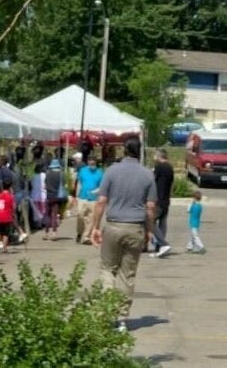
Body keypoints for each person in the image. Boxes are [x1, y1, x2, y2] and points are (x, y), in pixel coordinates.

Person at [89, 137, 157, 331]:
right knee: (128, 274)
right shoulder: (147, 175)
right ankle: (122, 318)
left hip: (114, 225)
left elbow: (101, 201)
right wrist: (150, 230)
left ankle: (106, 310)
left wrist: (94, 226)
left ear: (124, 151)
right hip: (135, 226)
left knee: (108, 268)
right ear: (140, 151)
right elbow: (151, 206)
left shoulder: (111, 171)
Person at [150, 149, 174, 257]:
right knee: (162, 223)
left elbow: (152, 180)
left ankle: (163, 244)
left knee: (150, 221)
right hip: (166, 199)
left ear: (159, 156)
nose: (154, 157)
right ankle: (159, 247)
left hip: (158, 199)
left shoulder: (159, 166)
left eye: (155, 155)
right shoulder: (170, 167)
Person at [76, 154, 104, 246]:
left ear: (96, 162)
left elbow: (102, 186)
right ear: (88, 162)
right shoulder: (83, 171)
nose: (92, 163)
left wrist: (96, 191)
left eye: (93, 161)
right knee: (80, 215)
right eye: (90, 161)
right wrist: (77, 195)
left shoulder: (100, 173)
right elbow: (79, 182)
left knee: (91, 219)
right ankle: (80, 232)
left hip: (93, 199)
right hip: (82, 197)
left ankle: (86, 237)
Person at [0, 178, 16, 251]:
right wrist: (13, 215)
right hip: (7, 216)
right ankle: (4, 248)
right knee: (6, 233)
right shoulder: (10, 196)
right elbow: (13, 207)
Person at [43, 158, 64, 239]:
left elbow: (44, 186)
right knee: (54, 215)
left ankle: (46, 233)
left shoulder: (48, 173)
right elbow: (63, 185)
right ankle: (54, 233)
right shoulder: (61, 174)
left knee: (47, 215)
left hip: (49, 196)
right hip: (57, 196)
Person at [186, 188, 205, 253]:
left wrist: (190, 204)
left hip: (192, 223)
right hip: (197, 223)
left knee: (195, 236)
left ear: (194, 198)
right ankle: (189, 247)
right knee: (192, 236)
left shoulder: (193, 206)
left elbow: (188, 211)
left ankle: (201, 247)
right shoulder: (200, 206)